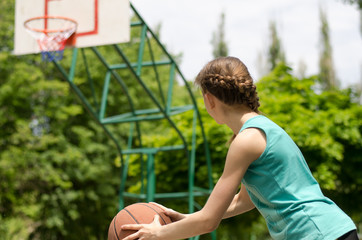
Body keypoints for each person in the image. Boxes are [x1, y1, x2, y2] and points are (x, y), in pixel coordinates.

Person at [122, 56, 358, 240]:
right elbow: (246, 200)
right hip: (327, 229)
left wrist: (156, 234)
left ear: (209, 100)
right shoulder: (260, 129)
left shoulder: (247, 140)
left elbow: (208, 222)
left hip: (317, 232)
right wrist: (187, 218)